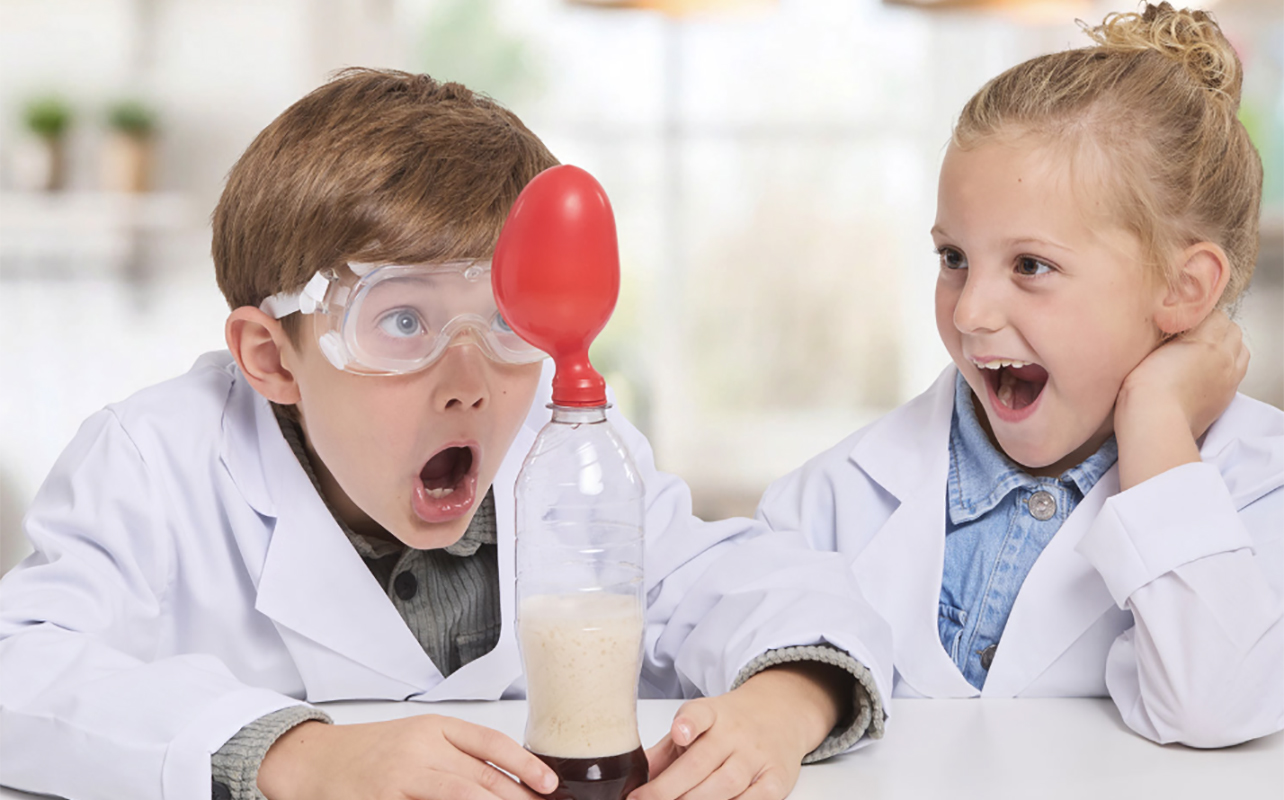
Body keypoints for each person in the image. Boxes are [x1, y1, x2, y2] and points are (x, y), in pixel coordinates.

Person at [0, 70, 892, 800]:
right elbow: (18, 669)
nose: (470, 382)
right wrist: (299, 757)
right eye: (401, 322)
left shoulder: (558, 442)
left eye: (504, 319)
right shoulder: (155, 462)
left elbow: (755, 584)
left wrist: (784, 707)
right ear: (271, 357)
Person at [757, 2, 1282, 748]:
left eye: (1031, 265)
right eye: (953, 258)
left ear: (1183, 288)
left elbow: (1216, 705)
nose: (970, 312)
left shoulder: (1261, 487)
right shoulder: (829, 501)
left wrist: (1159, 424)